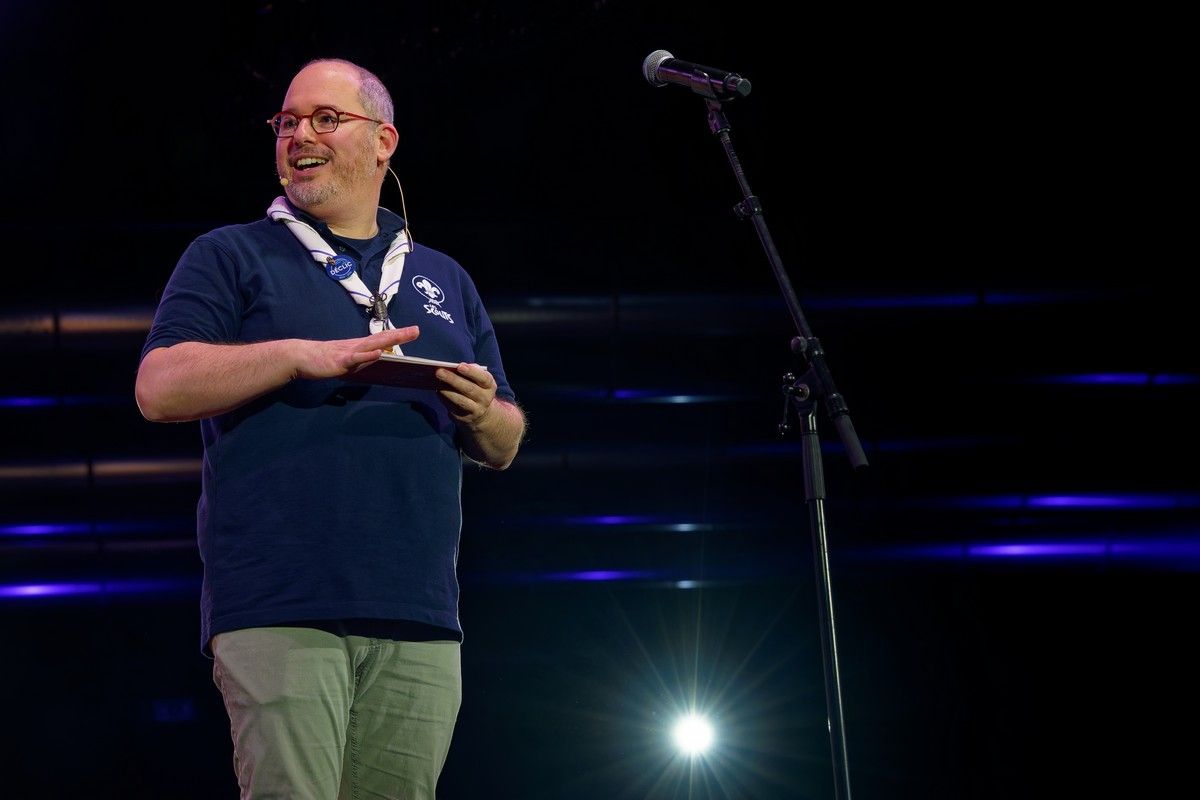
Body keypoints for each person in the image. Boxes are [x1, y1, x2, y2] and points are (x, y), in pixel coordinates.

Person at [135, 57, 526, 799]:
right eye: (286, 122)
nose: (298, 136)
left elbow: (504, 441)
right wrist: (296, 356)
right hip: (284, 605)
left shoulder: (445, 278)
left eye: (324, 119)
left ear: (383, 141)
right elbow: (158, 387)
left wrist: (483, 410)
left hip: (418, 612)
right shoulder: (231, 255)